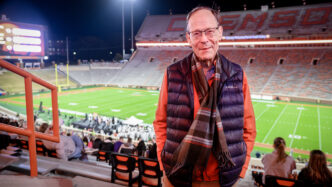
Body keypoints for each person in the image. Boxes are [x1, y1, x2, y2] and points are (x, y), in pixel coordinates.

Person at [153, 6, 256, 187]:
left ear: (220, 33)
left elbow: (248, 128)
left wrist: (241, 167)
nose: (204, 39)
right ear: (188, 38)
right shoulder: (173, 73)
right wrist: (165, 167)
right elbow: (161, 123)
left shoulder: (237, 74)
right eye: (197, 33)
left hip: (222, 179)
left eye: (209, 31)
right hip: (178, 175)